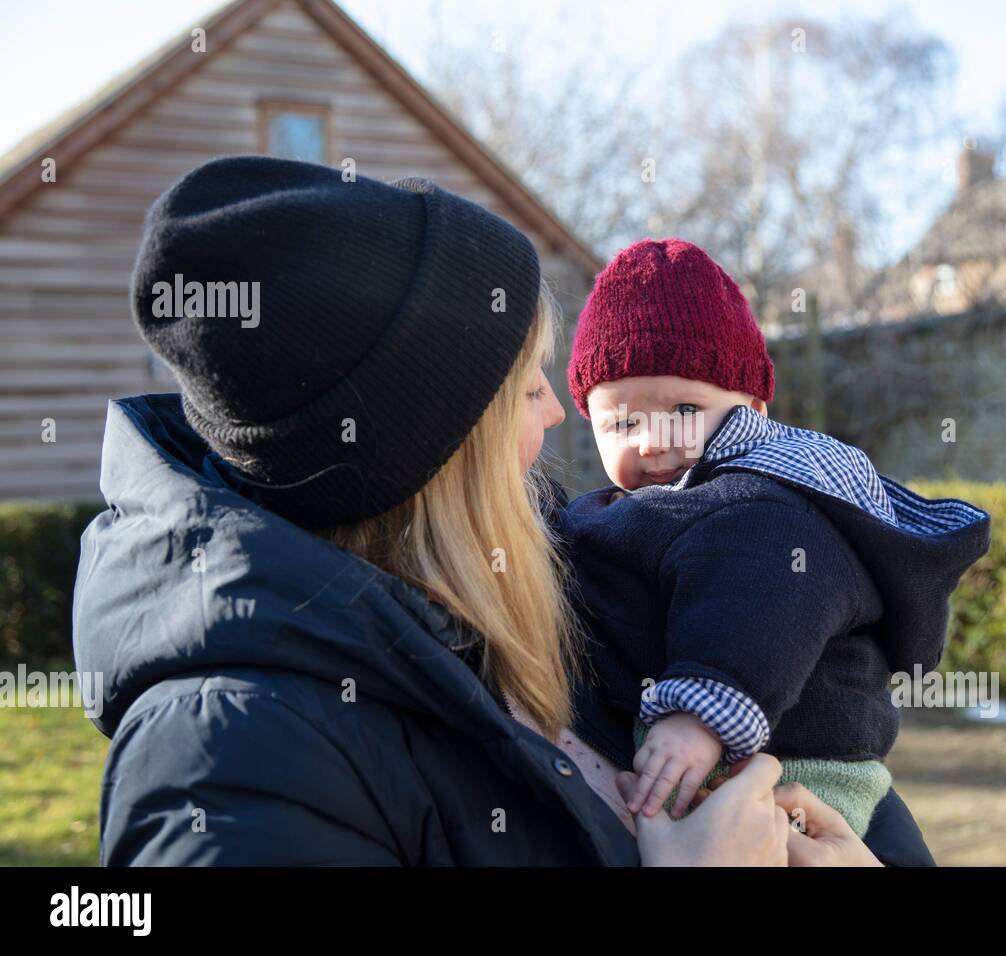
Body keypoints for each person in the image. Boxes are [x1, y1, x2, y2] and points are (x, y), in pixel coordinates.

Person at [72, 156, 934, 865]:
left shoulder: (563, 589)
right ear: (433, 449)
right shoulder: (224, 765)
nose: (559, 415)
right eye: (529, 390)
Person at [560, 238, 990, 833]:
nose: (652, 439)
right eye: (624, 421)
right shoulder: (658, 502)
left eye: (684, 409)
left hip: (801, 767)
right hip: (723, 755)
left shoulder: (765, 505)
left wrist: (699, 718)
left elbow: (758, 605)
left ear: (755, 408)